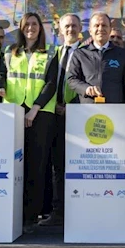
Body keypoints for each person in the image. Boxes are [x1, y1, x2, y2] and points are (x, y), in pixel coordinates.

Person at [3, 13, 58, 233]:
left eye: (35, 25)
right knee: (14, 165)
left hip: (41, 113)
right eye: (27, 25)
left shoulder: (50, 52)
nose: (31, 28)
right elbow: (1, 75)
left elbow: (51, 84)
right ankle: (12, 212)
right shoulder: (10, 52)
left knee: (36, 165)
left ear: (40, 29)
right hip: (14, 112)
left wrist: (34, 109)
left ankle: (30, 217)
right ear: (21, 28)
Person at [40, 13, 82, 227]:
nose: (70, 30)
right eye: (66, 26)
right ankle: (58, 211)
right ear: (59, 30)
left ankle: (77, 209)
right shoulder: (53, 54)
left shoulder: (86, 53)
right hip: (52, 115)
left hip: (77, 116)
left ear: (80, 28)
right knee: (56, 165)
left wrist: (70, 108)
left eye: (74, 26)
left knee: (76, 165)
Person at [67, 12, 125, 105]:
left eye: (104, 25)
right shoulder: (80, 53)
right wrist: (86, 89)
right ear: (90, 30)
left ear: (109, 29)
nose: (100, 29)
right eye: (96, 25)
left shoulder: (123, 54)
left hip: (115, 112)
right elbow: (71, 79)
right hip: (87, 111)